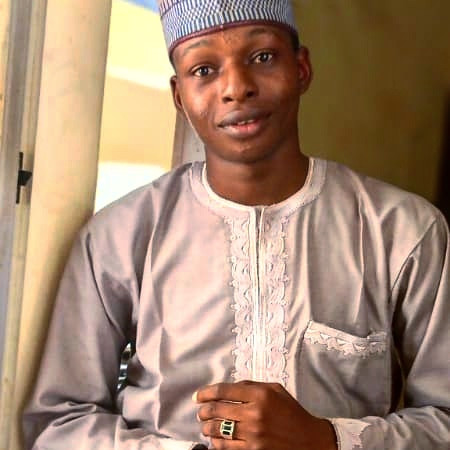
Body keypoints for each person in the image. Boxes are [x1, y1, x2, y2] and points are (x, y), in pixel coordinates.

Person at [23, 1, 449, 449]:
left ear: (302, 69)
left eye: (262, 57)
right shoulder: (120, 236)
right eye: (204, 70)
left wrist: (327, 439)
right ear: (179, 97)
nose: (236, 87)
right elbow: (58, 424)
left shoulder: (402, 232)